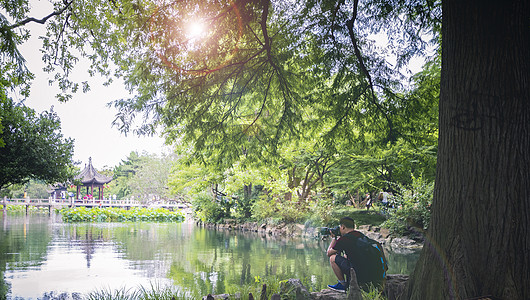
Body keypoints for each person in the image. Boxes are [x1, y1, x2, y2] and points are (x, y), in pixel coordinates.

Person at [326, 217, 386, 292]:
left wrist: (334, 238)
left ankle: (342, 285)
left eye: (340, 227)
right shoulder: (360, 235)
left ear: (343, 227)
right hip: (372, 274)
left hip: (359, 275)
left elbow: (329, 253)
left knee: (332, 258)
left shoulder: (344, 240)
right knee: (345, 256)